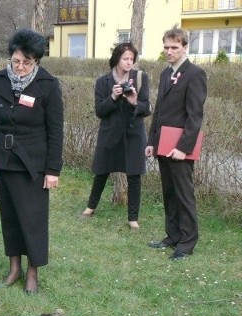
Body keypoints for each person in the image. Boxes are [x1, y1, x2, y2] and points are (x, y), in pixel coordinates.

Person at [0, 28, 63, 294]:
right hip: (4, 160)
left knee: (32, 218)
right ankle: (14, 266)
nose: (21, 67)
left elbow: (56, 131)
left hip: (32, 165)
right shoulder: (0, 79)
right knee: (10, 216)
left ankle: (33, 271)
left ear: (36, 60)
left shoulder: (47, 85)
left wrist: (52, 169)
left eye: (27, 62)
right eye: (16, 61)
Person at [145, 26, 207, 260]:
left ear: (184, 47)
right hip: (163, 145)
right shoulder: (165, 74)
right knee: (169, 193)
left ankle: (187, 243)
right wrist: (152, 141)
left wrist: (183, 148)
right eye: (166, 47)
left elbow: (195, 116)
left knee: (183, 194)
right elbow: (159, 110)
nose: (169, 51)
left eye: (174, 47)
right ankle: (172, 236)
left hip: (180, 148)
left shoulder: (195, 74)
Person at [81, 42, 150, 229]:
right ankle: (90, 206)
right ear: (116, 59)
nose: (129, 63)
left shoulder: (141, 77)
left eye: (132, 59)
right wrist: (112, 97)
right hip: (110, 133)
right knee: (102, 171)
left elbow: (147, 108)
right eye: (125, 59)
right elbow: (99, 111)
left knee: (134, 175)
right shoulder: (103, 82)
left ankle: (133, 218)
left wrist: (134, 101)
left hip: (133, 133)